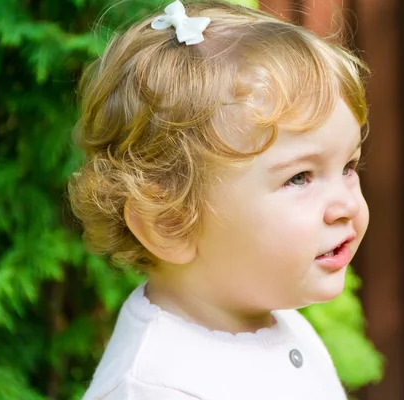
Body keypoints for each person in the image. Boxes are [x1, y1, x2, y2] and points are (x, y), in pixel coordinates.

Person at [68, 1, 370, 398]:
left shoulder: (273, 317)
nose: (345, 206)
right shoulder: (158, 387)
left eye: (348, 166)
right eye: (299, 177)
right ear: (171, 223)